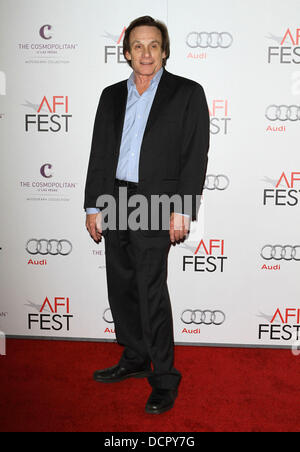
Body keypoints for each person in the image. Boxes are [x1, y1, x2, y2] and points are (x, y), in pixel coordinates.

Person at [84, 16, 210, 415]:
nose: (146, 53)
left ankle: (165, 379)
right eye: (138, 45)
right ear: (126, 52)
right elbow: (100, 154)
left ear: (165, 50)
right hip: (116, 198)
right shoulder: (109, 96)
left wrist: (183, 209)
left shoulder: (187, 93)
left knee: (151, 289)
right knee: (121, 284)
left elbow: (195, 156)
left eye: (153, 45)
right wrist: (93, 206)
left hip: (157, 202)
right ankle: (135, 357)